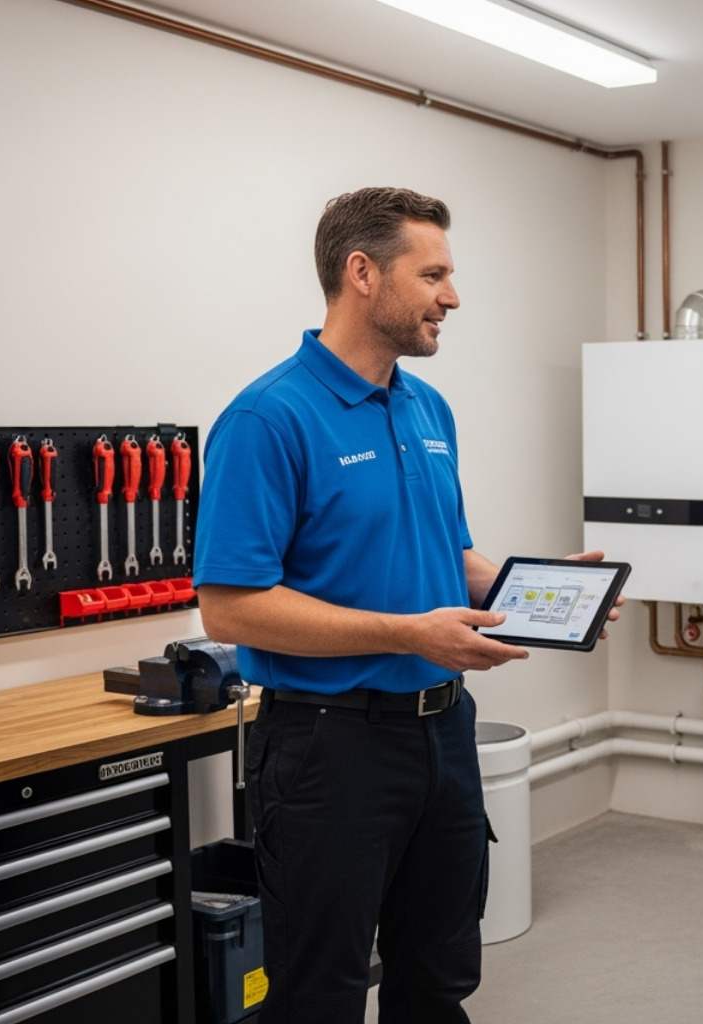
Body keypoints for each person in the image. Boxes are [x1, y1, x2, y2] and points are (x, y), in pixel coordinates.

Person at [194, 187, 617, 1024]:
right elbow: (231, 610)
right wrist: (406, 633)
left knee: (439, 976)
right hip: (326, 748)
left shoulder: (427, 408)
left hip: (442, 737)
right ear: (362, 273)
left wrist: (531, 593)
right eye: (433, 275)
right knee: (321, 993)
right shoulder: (267, 418)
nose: (451, 297)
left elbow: (449, 553)